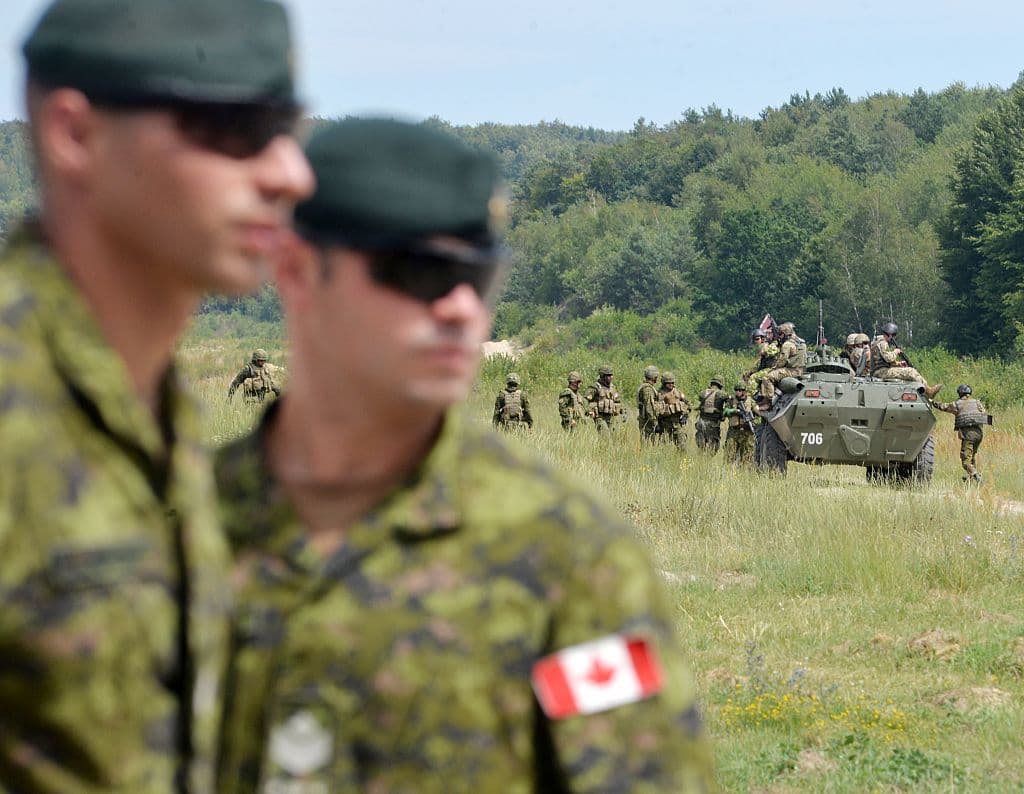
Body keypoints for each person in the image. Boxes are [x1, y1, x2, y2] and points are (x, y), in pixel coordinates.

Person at [213, 118, 714, 794]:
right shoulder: (173, 530)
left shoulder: (563, 555)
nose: (457, 308)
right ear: (298, 270)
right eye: (419, 272)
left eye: (477, 277)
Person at [0, 1, 314, 792]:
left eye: (288, 130)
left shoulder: (153, 410)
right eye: (235, 128)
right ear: (77, 135)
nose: (288, 173)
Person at [933, 384, 989, 484]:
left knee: (965, 461)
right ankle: (970, 479)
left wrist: (933, 402)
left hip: (968, 435)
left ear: (960, 393)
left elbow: (943, 407)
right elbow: (984, 414)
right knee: (971, 457)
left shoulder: (957, 404)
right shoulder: (977, 402)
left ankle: (976, 476)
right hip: (979, 434)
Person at [869, 322, 941, 398]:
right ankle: (929, 391)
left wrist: (898, 364)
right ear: (890, 335)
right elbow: (888, 358)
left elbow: (883, 361)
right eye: (894, 335)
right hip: (880, 372)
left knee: (908, 371)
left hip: (879, 371)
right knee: (910, 371)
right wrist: (896, 352)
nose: (894, 338)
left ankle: (925, 390)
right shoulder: (883, 343)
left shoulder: (877, 342)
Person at [756, 321, 806, 405]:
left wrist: (773, 368)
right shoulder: (802, 342)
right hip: (801, 370)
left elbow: (782, 361)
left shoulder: (787, 345)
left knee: (767, 378)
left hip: (791, 371)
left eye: (780, 334)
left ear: (783, 334)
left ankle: (768, 402)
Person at [722, 383, 757, 465]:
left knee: (747, 458)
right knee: (729, 456)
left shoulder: (750, 401)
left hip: (747, 432)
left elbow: (757, 411)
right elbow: (724, 412)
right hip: (734, 432)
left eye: (740, 390)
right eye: (736, 390)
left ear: (744, 391)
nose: (737, 392)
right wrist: (735, 411)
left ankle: (744, 475)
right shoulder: (731, 400)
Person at [584, 364, 625, 432]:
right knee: (605, 436)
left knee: (614, 437)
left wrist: (623, 413)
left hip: (611, 417)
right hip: (600, 417)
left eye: (611, 375)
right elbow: (585, 400)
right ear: (603, 376)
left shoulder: (612, 388)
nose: (611, 377)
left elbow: (618, 401)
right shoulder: (595, 387)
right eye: (608, 375)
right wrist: (589, 411)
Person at [655, 372, 690, 449]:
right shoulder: (660, 394)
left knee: (682, 445)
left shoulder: (678, 392)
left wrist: (685, 414)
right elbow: (657, 410)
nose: (671, 385)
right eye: (668, 383)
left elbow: (688, 403)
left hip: (677, 422)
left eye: (672, 383)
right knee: (663, 446)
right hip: (665, 423)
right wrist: (656, 424)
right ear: (664, 383)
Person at [694, 376, 728, 453]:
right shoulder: (722, 394)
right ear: (720, 384)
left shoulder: (702, 393)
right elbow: (729, 401)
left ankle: (701, 461)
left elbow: (697, 405)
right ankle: (708, 462)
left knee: (701, 447)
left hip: (701, 422)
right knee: (713, 448)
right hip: (713, 424)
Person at [744, 327, 779, 396]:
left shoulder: (774, 343)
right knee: (747, 375)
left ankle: (751, 397)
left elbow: (769, 352)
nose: (756, 341)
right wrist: (750, 371)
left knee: (753, 377)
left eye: (757, 339)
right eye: (755, 340)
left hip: (772, 368)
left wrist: (765, 347)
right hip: (765, 367)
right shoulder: (766, 344)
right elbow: (759, 363)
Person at [636, 364, 661, 444]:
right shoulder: (648, 389)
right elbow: (649, 407)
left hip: (646, 420)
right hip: (647, 422)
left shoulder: (646, 387)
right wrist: (655, 422)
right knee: (648, 443)